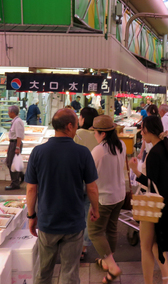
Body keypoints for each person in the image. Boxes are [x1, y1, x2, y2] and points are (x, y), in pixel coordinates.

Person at [25, 108, 100, 284]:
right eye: (75, 125)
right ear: (69, 126)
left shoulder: (38, 152)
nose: (76, 129)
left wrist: (31, 216)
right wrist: (95, 209)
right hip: (73, 222)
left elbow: (31, 189)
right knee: (70, 273)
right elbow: (92, 188)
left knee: (43, 271)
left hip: (47, 221)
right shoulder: (82, 153)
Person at [128, 116, 168, 284]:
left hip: (152, 205)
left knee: (145, 247)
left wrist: (135, 171)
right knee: (157, 242)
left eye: (142, 129)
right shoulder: (166, 147)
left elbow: (151, 184)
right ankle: (166, 278)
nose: (142, 133)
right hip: (165, 203)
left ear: (148, 130)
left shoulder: (155, 152)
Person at [88, 115, 126, 284]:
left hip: (104, 198)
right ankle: (106, 261)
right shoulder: (122, 145)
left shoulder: (98, 151)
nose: (94, 135)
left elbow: (89, 176)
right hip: (119, 195)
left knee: (95, 232)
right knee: (111, 229)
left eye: (95, 132)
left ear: (102, 134)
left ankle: (112, 266)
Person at [73, 106, 99, 260]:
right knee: (88, 212)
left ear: (83, 119)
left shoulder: (77, 134)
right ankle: (83, 248)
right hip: (92, 180)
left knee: (75, 211)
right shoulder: (98, 136)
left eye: (80, 116)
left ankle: (73, 244)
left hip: (76, 179)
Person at [5, 105, 25, 191]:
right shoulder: (15, 121)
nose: (8, 113)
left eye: (9, 111)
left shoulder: (17, 122)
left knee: (11, 163)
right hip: (12, 143)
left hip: (15, 144)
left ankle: (15, 183)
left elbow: (19, 136)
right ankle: (21, 175)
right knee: (9, 162)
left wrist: (17, 147)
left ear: (13, 112)